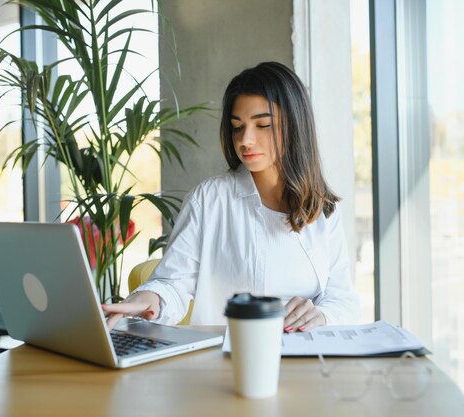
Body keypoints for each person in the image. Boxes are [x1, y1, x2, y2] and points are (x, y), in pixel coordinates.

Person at [103, 61, 359, 332]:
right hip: (230, 360)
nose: (246, 139)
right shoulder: (209, 200)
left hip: (307, 362)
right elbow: (171, 284)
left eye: (263, 125)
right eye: (238, 127)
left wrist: (322, 315)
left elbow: (343, 298)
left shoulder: (323, 209)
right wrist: (147, 301)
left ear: (295, 126)